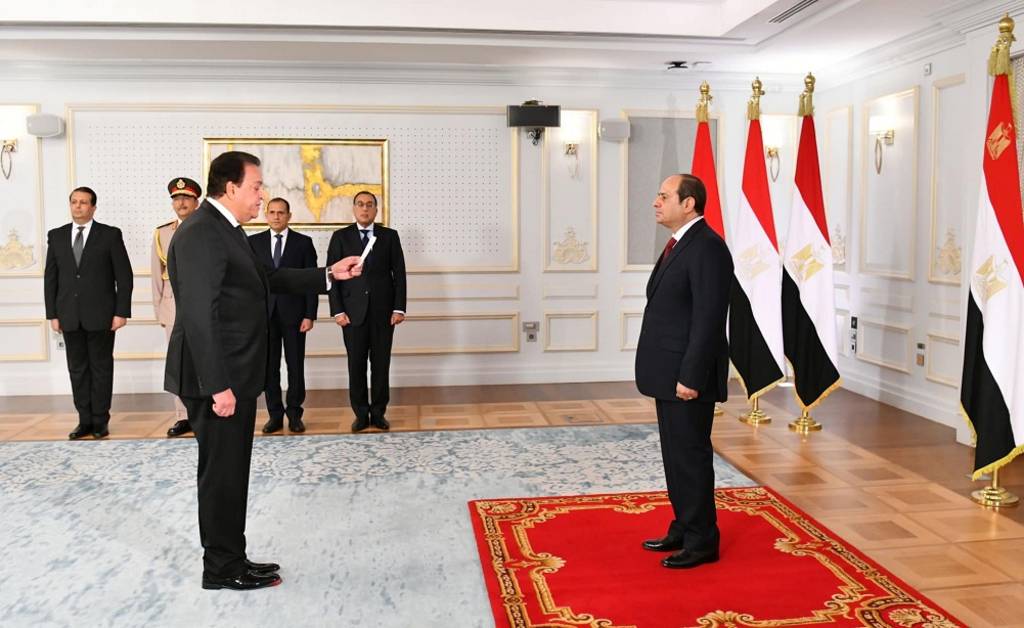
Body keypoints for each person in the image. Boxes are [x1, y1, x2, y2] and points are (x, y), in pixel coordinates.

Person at [163, 151, 362, 591]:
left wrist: (328, 274)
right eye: (256, 186)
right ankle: (221, 569)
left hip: (233, 374)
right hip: (216, 379)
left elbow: (266, 279)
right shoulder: (201, 232)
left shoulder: (226, 229)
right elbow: (198, 315)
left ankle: (232, 557)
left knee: (232, 471)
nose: (262, 195)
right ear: (231, 187)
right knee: (222, 475)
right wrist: (218, 385)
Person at [635, 174, 732, 569]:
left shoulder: (708, 247)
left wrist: (691, 377)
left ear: (688, 203)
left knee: (690, 457)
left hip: (687, 378)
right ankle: (684, 526)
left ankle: (702, 540)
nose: (656, 202)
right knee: (675, 457)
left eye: (664, 196)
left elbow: (709, 319)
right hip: (668, 373)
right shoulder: (680, 243)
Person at [44, 187, 133, 440]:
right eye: (74, 202)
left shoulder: (110, 235)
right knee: (77, 370)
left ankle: (100, 421)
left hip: (102, 316)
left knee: (101, 369)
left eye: (83, 202)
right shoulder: (57, 236)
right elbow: (51, 278)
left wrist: (121, 312)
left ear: (93, 207)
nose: (78, 206)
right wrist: (53, 314)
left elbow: (124, 277)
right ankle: (84, 420)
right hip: (68, 315)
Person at [326, 191, 407, 432]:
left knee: (381, 365)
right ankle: (360, 414)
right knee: (356, 365)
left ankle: (379, 413)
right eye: (360, 204)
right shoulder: (340, 237)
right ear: (354, 209)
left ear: (376, 210)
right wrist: (337, 311)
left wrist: (399, 308)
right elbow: (332, 276)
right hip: (352, 314)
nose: (365, 208)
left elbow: (399, 274)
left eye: (369, 205)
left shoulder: (389, 236)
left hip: (384, 313)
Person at [248, 197, 318, 434]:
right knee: (270, 368)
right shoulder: (253, 243)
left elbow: (311, 281)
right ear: (266, 215)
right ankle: (275, 415)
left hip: (295, 316)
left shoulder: (303, 243)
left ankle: (295, 414)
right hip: (264, 317)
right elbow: (249, 283)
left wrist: (309, 314)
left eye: (281, 212)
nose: (276, 216)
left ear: (289, 216)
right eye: (272, 212)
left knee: (295, 366)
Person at [153, 177, 201, 438]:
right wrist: (159, 310)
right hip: (172, 306)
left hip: (202, 303)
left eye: (186, 198)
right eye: (176, 198)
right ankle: (183, 415)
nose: (181, 202)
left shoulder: (207, 229)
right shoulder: (162, 233)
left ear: (197, 202)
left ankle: (204, 410)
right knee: (177, 362)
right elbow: (156, 275)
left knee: (203, 357)